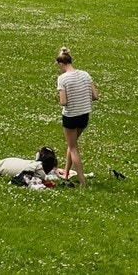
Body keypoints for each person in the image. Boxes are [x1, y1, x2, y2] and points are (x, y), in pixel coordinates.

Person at [55, 47, 98, 185]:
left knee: (73, 148)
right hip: (84, 115)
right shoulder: (85, 74)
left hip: (71, 117)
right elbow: (95, 96)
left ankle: (82, 181)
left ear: (61, 64)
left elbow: (63, 102)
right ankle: (66, 173)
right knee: (71, 144)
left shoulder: (63, 79)